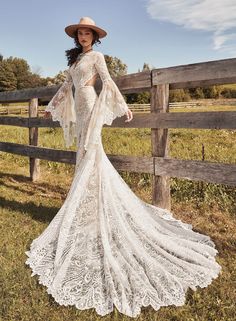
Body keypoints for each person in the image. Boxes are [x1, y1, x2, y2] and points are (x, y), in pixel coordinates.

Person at [25, 17, 222, 318]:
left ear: (95, 36)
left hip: (91, 107)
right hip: (79, 110)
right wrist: (51, 105)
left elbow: (108, 81)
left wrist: (123, 106)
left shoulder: (97, 57)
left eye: (88, 33)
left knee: (93, 155)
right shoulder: (76, 59)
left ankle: (95, 211)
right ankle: (88, 211)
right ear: (76, 37)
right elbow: (67, 87)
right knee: (84, 159)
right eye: (80, 33)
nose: (83, 36)